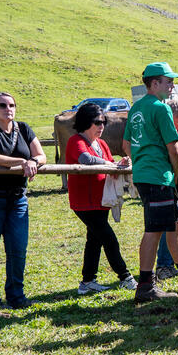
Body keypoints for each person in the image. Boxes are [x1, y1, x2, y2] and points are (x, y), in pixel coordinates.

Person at [124, 62, 178, 303]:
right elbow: (174, 148)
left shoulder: (136, 108)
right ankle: (145, 286)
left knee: (173, 225)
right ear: (154, 83)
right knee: (154, 231)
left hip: (145, 175)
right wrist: (177, 174)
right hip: (159, 176)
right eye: (168, 81)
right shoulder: (160, 109)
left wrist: (141, 161)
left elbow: (126, 145)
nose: (172, 85)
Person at [65, 103, 136, 294]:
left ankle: (87, 281)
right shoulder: (76, 141)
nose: (101, 126)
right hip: (84, 203)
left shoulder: (102, 143)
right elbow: (86, 160)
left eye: (103, 121)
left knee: (94, 240)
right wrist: (110, 164)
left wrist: (120, 163)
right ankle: (125, 277)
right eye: (97, 122)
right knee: (109, 239)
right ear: (85, 122)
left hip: (101, 201)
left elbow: (109, 165)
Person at [0, 92, 46, 308]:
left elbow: (41, 155)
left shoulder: (24, 128)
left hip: (18, 198)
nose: (8, 109)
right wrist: (22, 160)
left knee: (18, 249)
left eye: (11, 105)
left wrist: (33, 161)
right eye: (2, 105)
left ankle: (16, 296)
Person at [154, 98, 178, 279]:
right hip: (168, 181)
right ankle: (163, 265)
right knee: (167, 225)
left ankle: (174, 265)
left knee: (175, 225)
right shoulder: (166, 133)